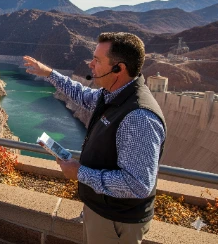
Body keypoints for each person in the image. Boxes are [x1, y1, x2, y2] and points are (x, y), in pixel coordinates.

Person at [23, 32, 166, 244]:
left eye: (97, 60)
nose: (90, 64)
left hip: (117, 221)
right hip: (103, 211)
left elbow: (138, 184)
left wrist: (80, 172)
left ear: (119, 68)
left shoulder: (139, 117)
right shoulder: (112, 95)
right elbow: (81, 94)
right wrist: (50, 73)